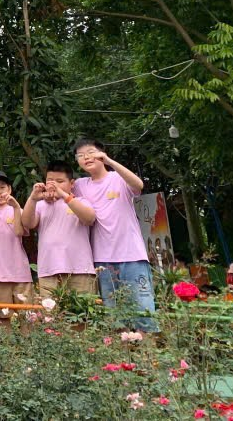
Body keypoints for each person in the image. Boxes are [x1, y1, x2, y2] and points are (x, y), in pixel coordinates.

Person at [73, 139, 158, 332]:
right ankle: (120, 358)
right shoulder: (80, 185)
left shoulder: (118, 177)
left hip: (132, 256)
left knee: (144, 312)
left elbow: (139, 185)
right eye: (80, 155)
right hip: (102, 261)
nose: (86, 157)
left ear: (102, 154)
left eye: (91, 152)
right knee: (113, 316)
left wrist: (110, 162)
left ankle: (149, 356)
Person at [22, 161, 97, 299]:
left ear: (72, 183)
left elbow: (89, 218)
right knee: (51, 317)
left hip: (80, 270)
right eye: (50, 180)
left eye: (60, 181)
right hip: (48, 270)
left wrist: (63, 195)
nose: (53, 184)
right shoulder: (40, 204)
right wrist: (33, 198)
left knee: (82, 316)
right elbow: (27, 223)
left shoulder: (80, 201)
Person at [0, 169, 33, 312]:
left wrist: (16, 207)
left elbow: (19, 232)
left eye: (2, 187)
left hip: (20, 271)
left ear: (9, 189)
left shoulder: (19, 210)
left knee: (27, 316)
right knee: (3, 318)